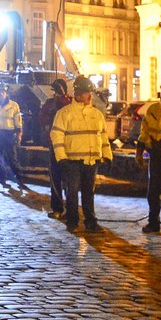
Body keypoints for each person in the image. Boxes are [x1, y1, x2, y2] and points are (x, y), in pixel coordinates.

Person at [50, 76, 112, 232]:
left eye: (89, 92)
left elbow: (103, 136)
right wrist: (61, 157)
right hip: (72, 161)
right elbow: (56, 136)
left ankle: (90, 222)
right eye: (85, 92)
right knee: (72, 193)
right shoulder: (65, 113)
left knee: (88, 193)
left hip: (91, 161)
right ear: (77, 94)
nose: (89, 95)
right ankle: (72, 221)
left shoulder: (96, 114)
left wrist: (107, 154)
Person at [137, 79, 161, 234]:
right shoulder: (152, 109)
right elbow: (144, 131)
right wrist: (139, 152)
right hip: (155, 155)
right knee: (153, 190)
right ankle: (153, 221)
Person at [37, 78, 71, 219]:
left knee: (69, 180)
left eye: (58, 90)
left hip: (69, 145)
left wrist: (62, 98)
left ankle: (71, 208)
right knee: (55, 177)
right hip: (54, 144)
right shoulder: (50, 103)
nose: (55, 93)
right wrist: (52, 108)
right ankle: (57, 207)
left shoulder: (70, 102)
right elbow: (42, 119)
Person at [0, 83, 24, 187]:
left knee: (12, 158)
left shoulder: (14, 106)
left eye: (3, 91)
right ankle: (2, 178)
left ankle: (19, 178)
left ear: (6, 93)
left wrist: (19, 134)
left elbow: (18, 121)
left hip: (9, 134)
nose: (1, 93)